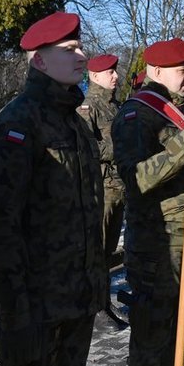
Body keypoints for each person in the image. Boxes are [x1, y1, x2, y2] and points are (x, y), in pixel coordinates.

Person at [0, 12, 106, 366]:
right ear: (39, 61)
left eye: (80, 47)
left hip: (76, 299)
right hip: (36, 309)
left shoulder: (75, 124)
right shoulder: (17, 124)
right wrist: (17, 316)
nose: (82, 55)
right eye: (69, 50)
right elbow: (1, 229)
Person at [111, 39, 184, 366]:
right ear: (154, 71)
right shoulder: (138, 115)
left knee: (175, 335)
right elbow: (136, 178)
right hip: (157, 247)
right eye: (180, 69)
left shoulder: (177, 112)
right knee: (151, 344)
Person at [78, 53, 128, 328]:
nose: (115, 76)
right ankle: (96, 307)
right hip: (103, 188)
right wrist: (117, 149)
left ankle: (104, 302)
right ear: (95, 76)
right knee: (98, 251)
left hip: (118, 186)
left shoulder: (115, 106)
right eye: (110, 72)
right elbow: (87, 146)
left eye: (115, 71)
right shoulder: (88, 107)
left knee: (108, 252)